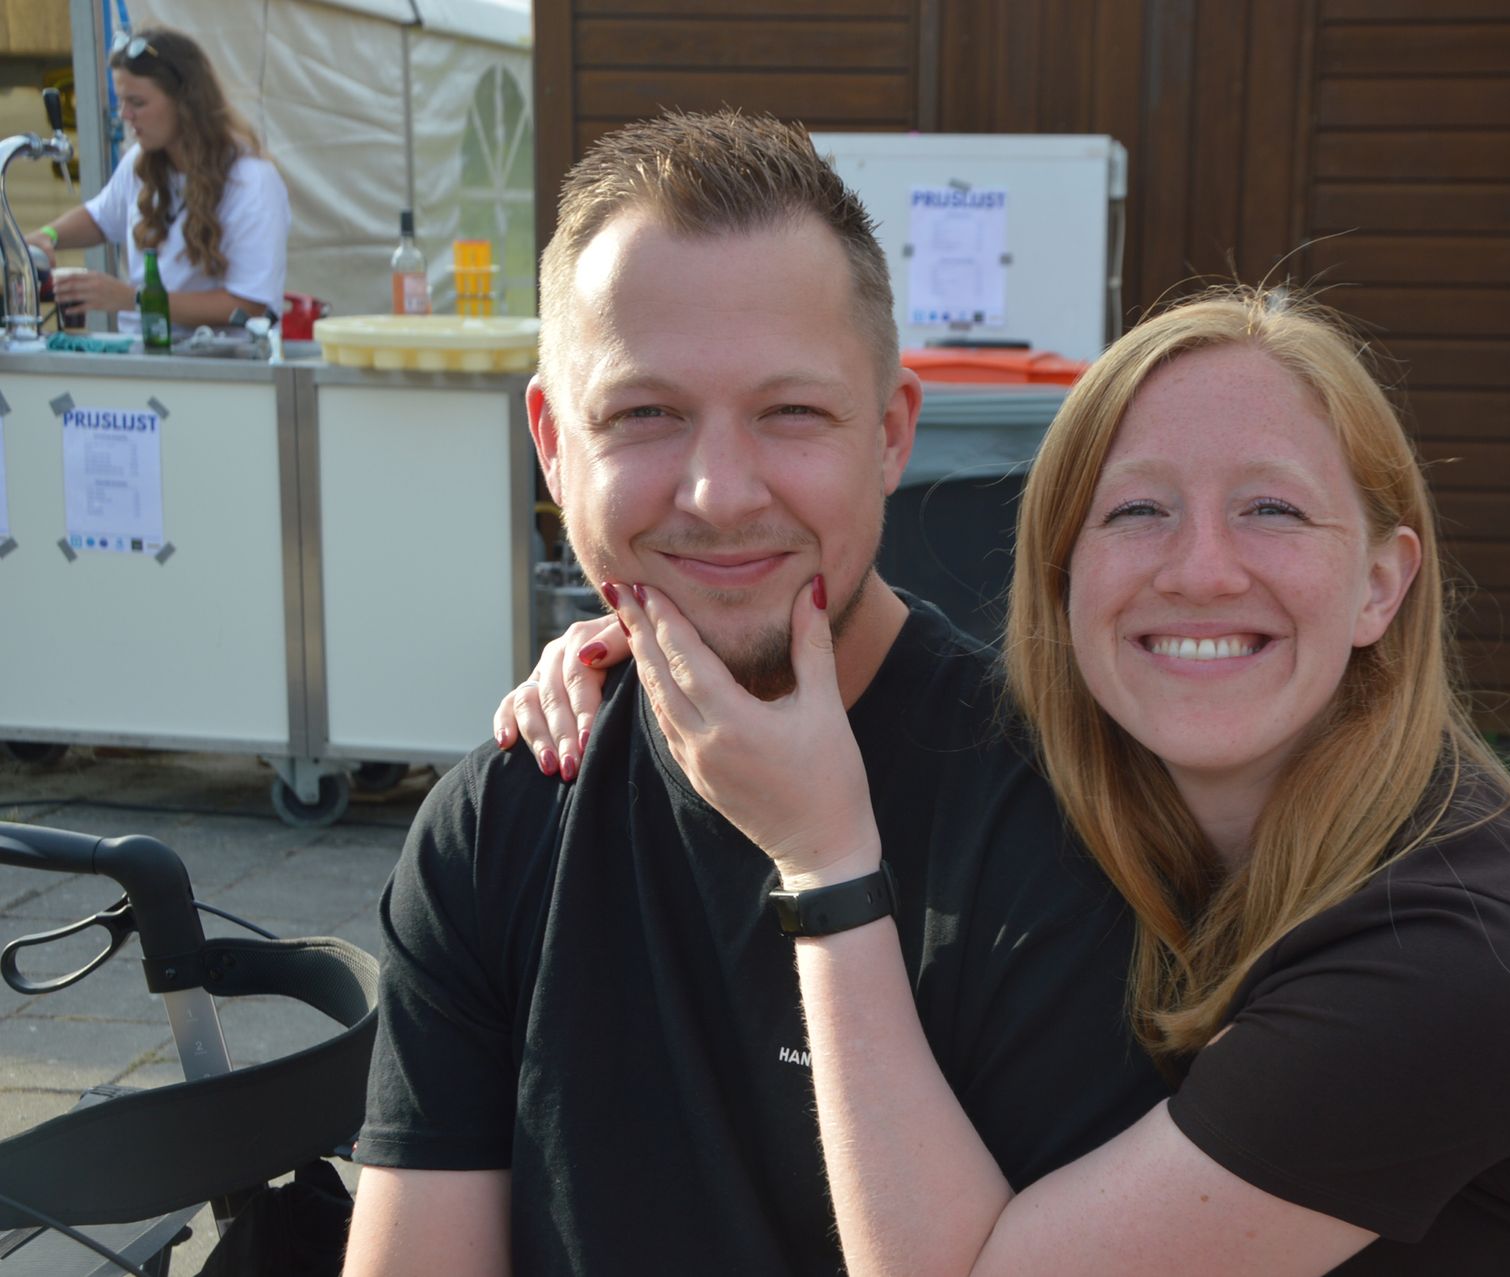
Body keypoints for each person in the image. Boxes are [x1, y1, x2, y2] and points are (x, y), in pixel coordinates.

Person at [521, 289, 1510, 1273]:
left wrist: (824, 864)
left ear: (1380, 584)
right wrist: (677, 638)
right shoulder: (1147, 803)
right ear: (1064, 578)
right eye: (1137, 511)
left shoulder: (1460, 958)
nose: (1199, 570)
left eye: (1271, 509)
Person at [340, 111, 1163, 1277]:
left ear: (890, 434)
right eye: (644, 413)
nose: (719, 493)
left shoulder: (1070, 821)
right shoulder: (495, 825)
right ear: (553, 444)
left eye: (791, 412)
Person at [26, 26, 288, 333]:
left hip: (221, 360)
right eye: (121, 101)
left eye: (137, 103)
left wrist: (132, 298)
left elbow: (249, 304)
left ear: (185, 102)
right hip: (143, 354)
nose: (125, 115)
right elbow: (100, 217)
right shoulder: (141, 161)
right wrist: (48, 236)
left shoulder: (251, 181)